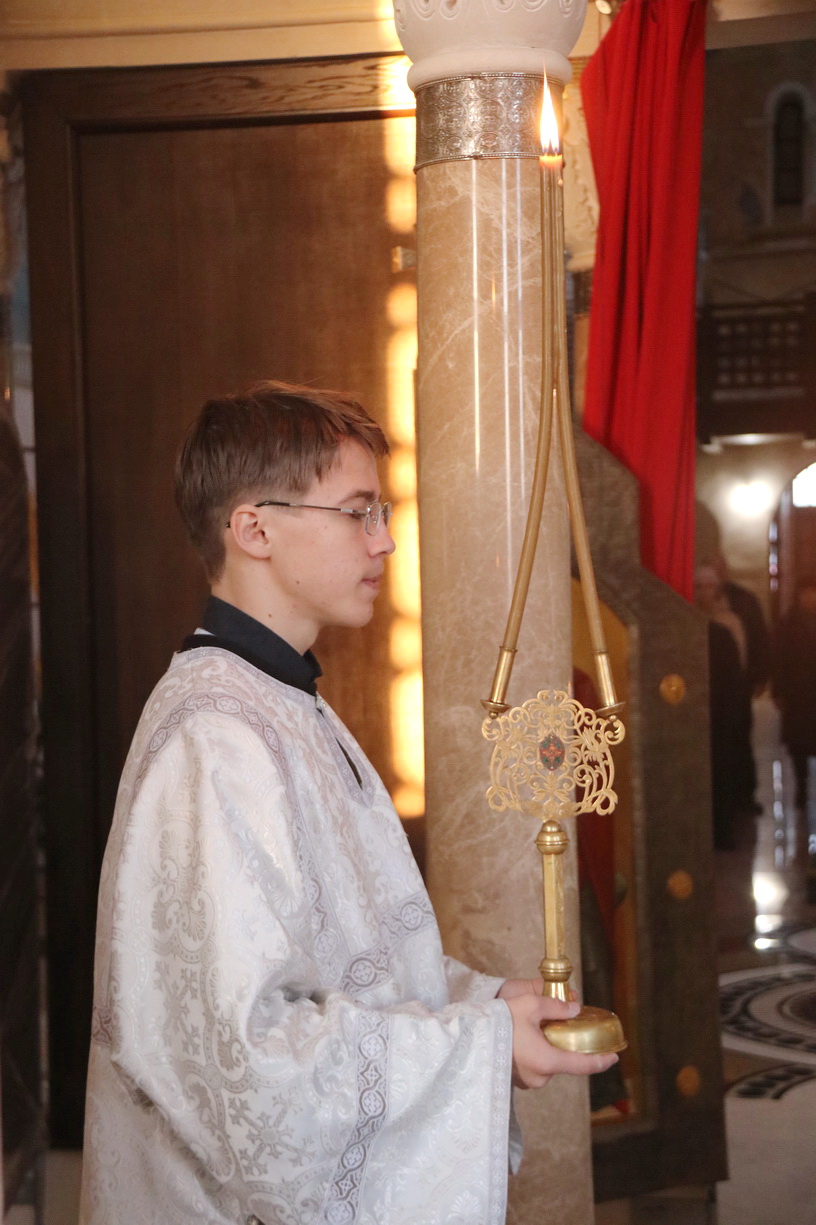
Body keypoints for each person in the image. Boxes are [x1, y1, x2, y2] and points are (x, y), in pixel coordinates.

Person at [79, 381, 617, 1225]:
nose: (386, 539)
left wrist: (482, 1007)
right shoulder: (213, 737)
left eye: (382, 512)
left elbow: (352, 957)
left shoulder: (288, 701)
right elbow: (248, 1061)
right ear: (254, 528)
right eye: (359, 512)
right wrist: (474, 1049)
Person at [773, 578, 816, 810]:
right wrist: (779, 690)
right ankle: (802, 788)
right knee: (799, 746)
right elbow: (779, 658)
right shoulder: (788, 623)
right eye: (806, 594)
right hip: (798, 693)